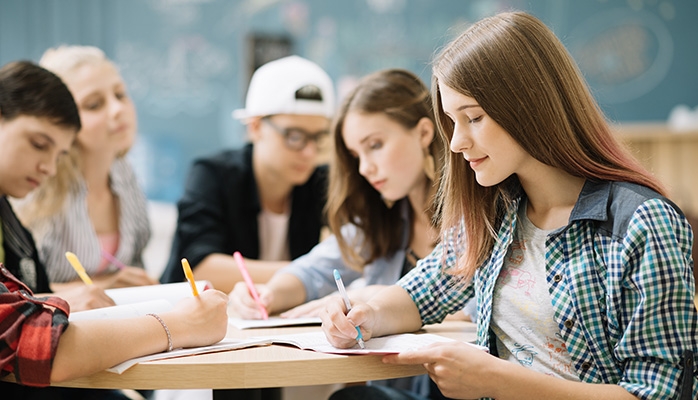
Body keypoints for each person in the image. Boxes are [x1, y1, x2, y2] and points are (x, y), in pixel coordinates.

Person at [322, 11, 697, 400]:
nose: (456, 143)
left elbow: (662, 394)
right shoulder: (496, 212)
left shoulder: (642, 223)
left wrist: (498, 381)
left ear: (530, 106)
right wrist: (365, 314)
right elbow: (420, 295)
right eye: (452, 122)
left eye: (474, 118)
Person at [0, 60, 229, 400]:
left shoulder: (124, 179)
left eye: (121, 95)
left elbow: (29, 305)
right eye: (38, 144)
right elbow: (35, 341)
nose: (47, 166)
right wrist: (180, 325)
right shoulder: (29, 201)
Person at [231, 68, 457, 399]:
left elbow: (480, 308)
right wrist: (268, 295)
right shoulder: (384, 217)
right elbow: (314, 270)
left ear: (424, 132)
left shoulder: (470, 216)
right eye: (356, 156)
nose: (365, 168)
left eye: (375, 145)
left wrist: (372, 294)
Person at [160, 55, 335, 294]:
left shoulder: (319, 182)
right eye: (295, 136)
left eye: (319, 138)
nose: (309, 152)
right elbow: (200, 269)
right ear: (255, 127)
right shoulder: (212, 174)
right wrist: (311, 272)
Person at [14, 45, 156, 299]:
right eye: (94, 105)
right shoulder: (33, 184)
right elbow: (18, 293)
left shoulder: (124, 173)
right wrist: (105, 286)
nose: (117, 110)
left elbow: (135, 265)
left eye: (120, 95)